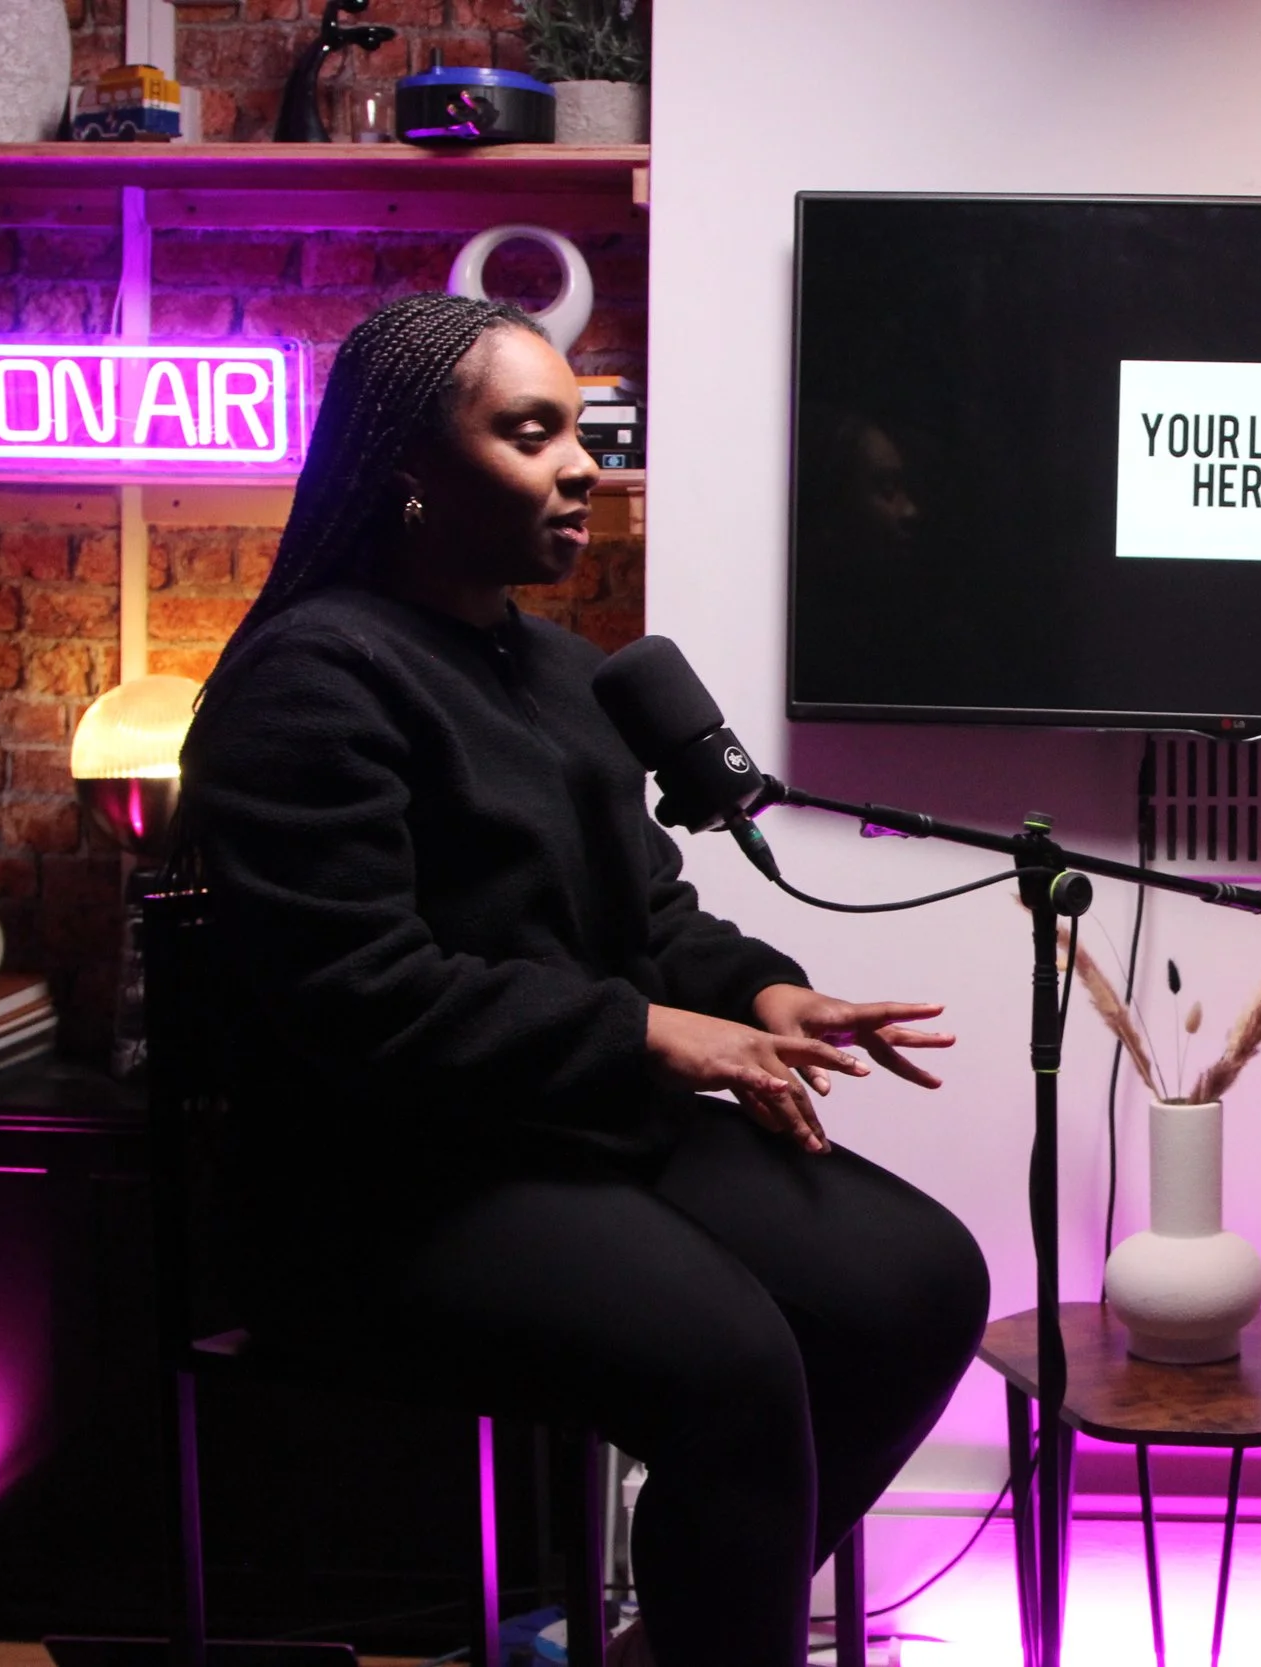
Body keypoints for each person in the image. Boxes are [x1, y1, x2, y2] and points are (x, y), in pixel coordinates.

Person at [178, 294, 990, 1667]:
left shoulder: (565, 673)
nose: (582, 467)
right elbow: (361, 995)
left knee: (918, 1282)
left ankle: (674, 1637)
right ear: (409, 469)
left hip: (572, 1120)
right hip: (385, 1179)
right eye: (530, 433)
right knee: (732, 1366)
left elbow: (648, 916)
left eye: (582, 431)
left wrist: (763, 996)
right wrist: (653, 1035)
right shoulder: (307, 682)